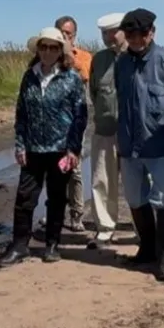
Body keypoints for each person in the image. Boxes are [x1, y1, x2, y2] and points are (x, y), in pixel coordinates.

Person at [0, 27, 88, 267]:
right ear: (38, 50)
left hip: (60, 149)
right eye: (43, 47)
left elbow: (80, 117)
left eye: (53, 47)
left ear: (60, 51)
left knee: (56, 198)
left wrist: (73, 149)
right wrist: (20, 145)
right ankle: (19, 246)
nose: (48, 52)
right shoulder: (30, 76)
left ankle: (52, 245)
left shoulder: (72, 78)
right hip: (33, 148)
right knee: (24, 198)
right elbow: (21, 113)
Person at [115, 8, 164, 281]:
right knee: (135, 197)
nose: (136, 39)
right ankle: (147, 248)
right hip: (129, 145)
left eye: (141, 33)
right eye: (130, 35)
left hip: (162, 145)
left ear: (152, 32)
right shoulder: (121, 64)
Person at [86, 12, 128, 250]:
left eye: (113, 32)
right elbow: (94, 92)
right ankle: (104, 228)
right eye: (104, 33)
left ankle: (144, 230)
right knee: (101, 181)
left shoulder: (136, 55)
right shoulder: (99, 59)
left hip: (134, 133)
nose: (109, 37)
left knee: (139, 183)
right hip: (105, 129)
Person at [55, 15, 93, 232]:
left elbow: (85, 76)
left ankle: (76, 214)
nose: (64, 36)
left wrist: (69, 54)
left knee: (74, 168)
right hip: (52, 121)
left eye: (68, 33)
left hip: (75, 120)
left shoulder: (84, 57)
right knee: (53, 168)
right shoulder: (49, 55)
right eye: (61, 32)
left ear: (74, 35)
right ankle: (55, 212)